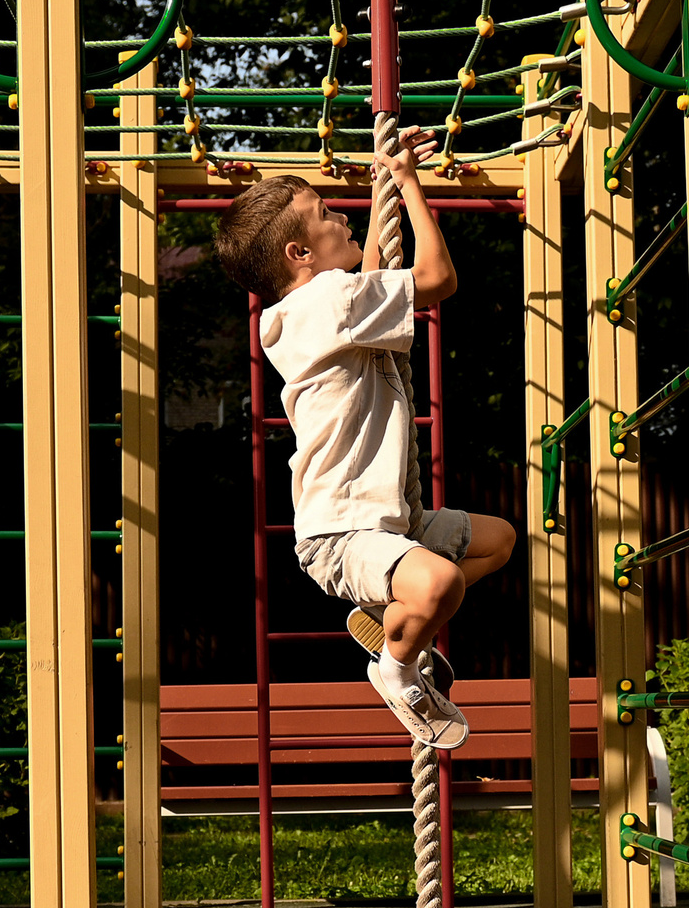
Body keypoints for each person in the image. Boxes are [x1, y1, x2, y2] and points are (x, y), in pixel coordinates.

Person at [212, 129, 517, 747]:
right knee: (441, 583)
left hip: (387, 519)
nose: (341, 215)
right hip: (342, 530)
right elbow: (437, 278)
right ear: (300, 253)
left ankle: (394, 618)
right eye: (325, 214)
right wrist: (407, 184)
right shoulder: (329, 303)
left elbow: (372, 275)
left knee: (497, 542)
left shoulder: (316, 307)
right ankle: (398, 671)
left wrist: (385, 192)